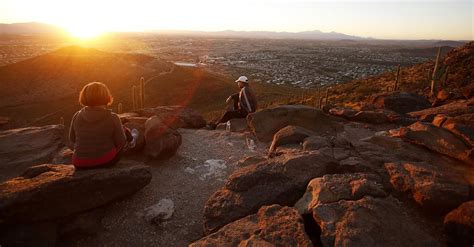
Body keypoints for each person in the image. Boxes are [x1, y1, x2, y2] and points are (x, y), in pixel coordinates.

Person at [69, 82, 139, 169]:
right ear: (106, 96)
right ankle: (132, 141)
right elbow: (121, 141)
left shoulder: (77, 115)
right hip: (105, 161)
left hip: (79, 163)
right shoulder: (112, 117)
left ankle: (131, 138)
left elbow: (72, 139)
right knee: (123, 131)